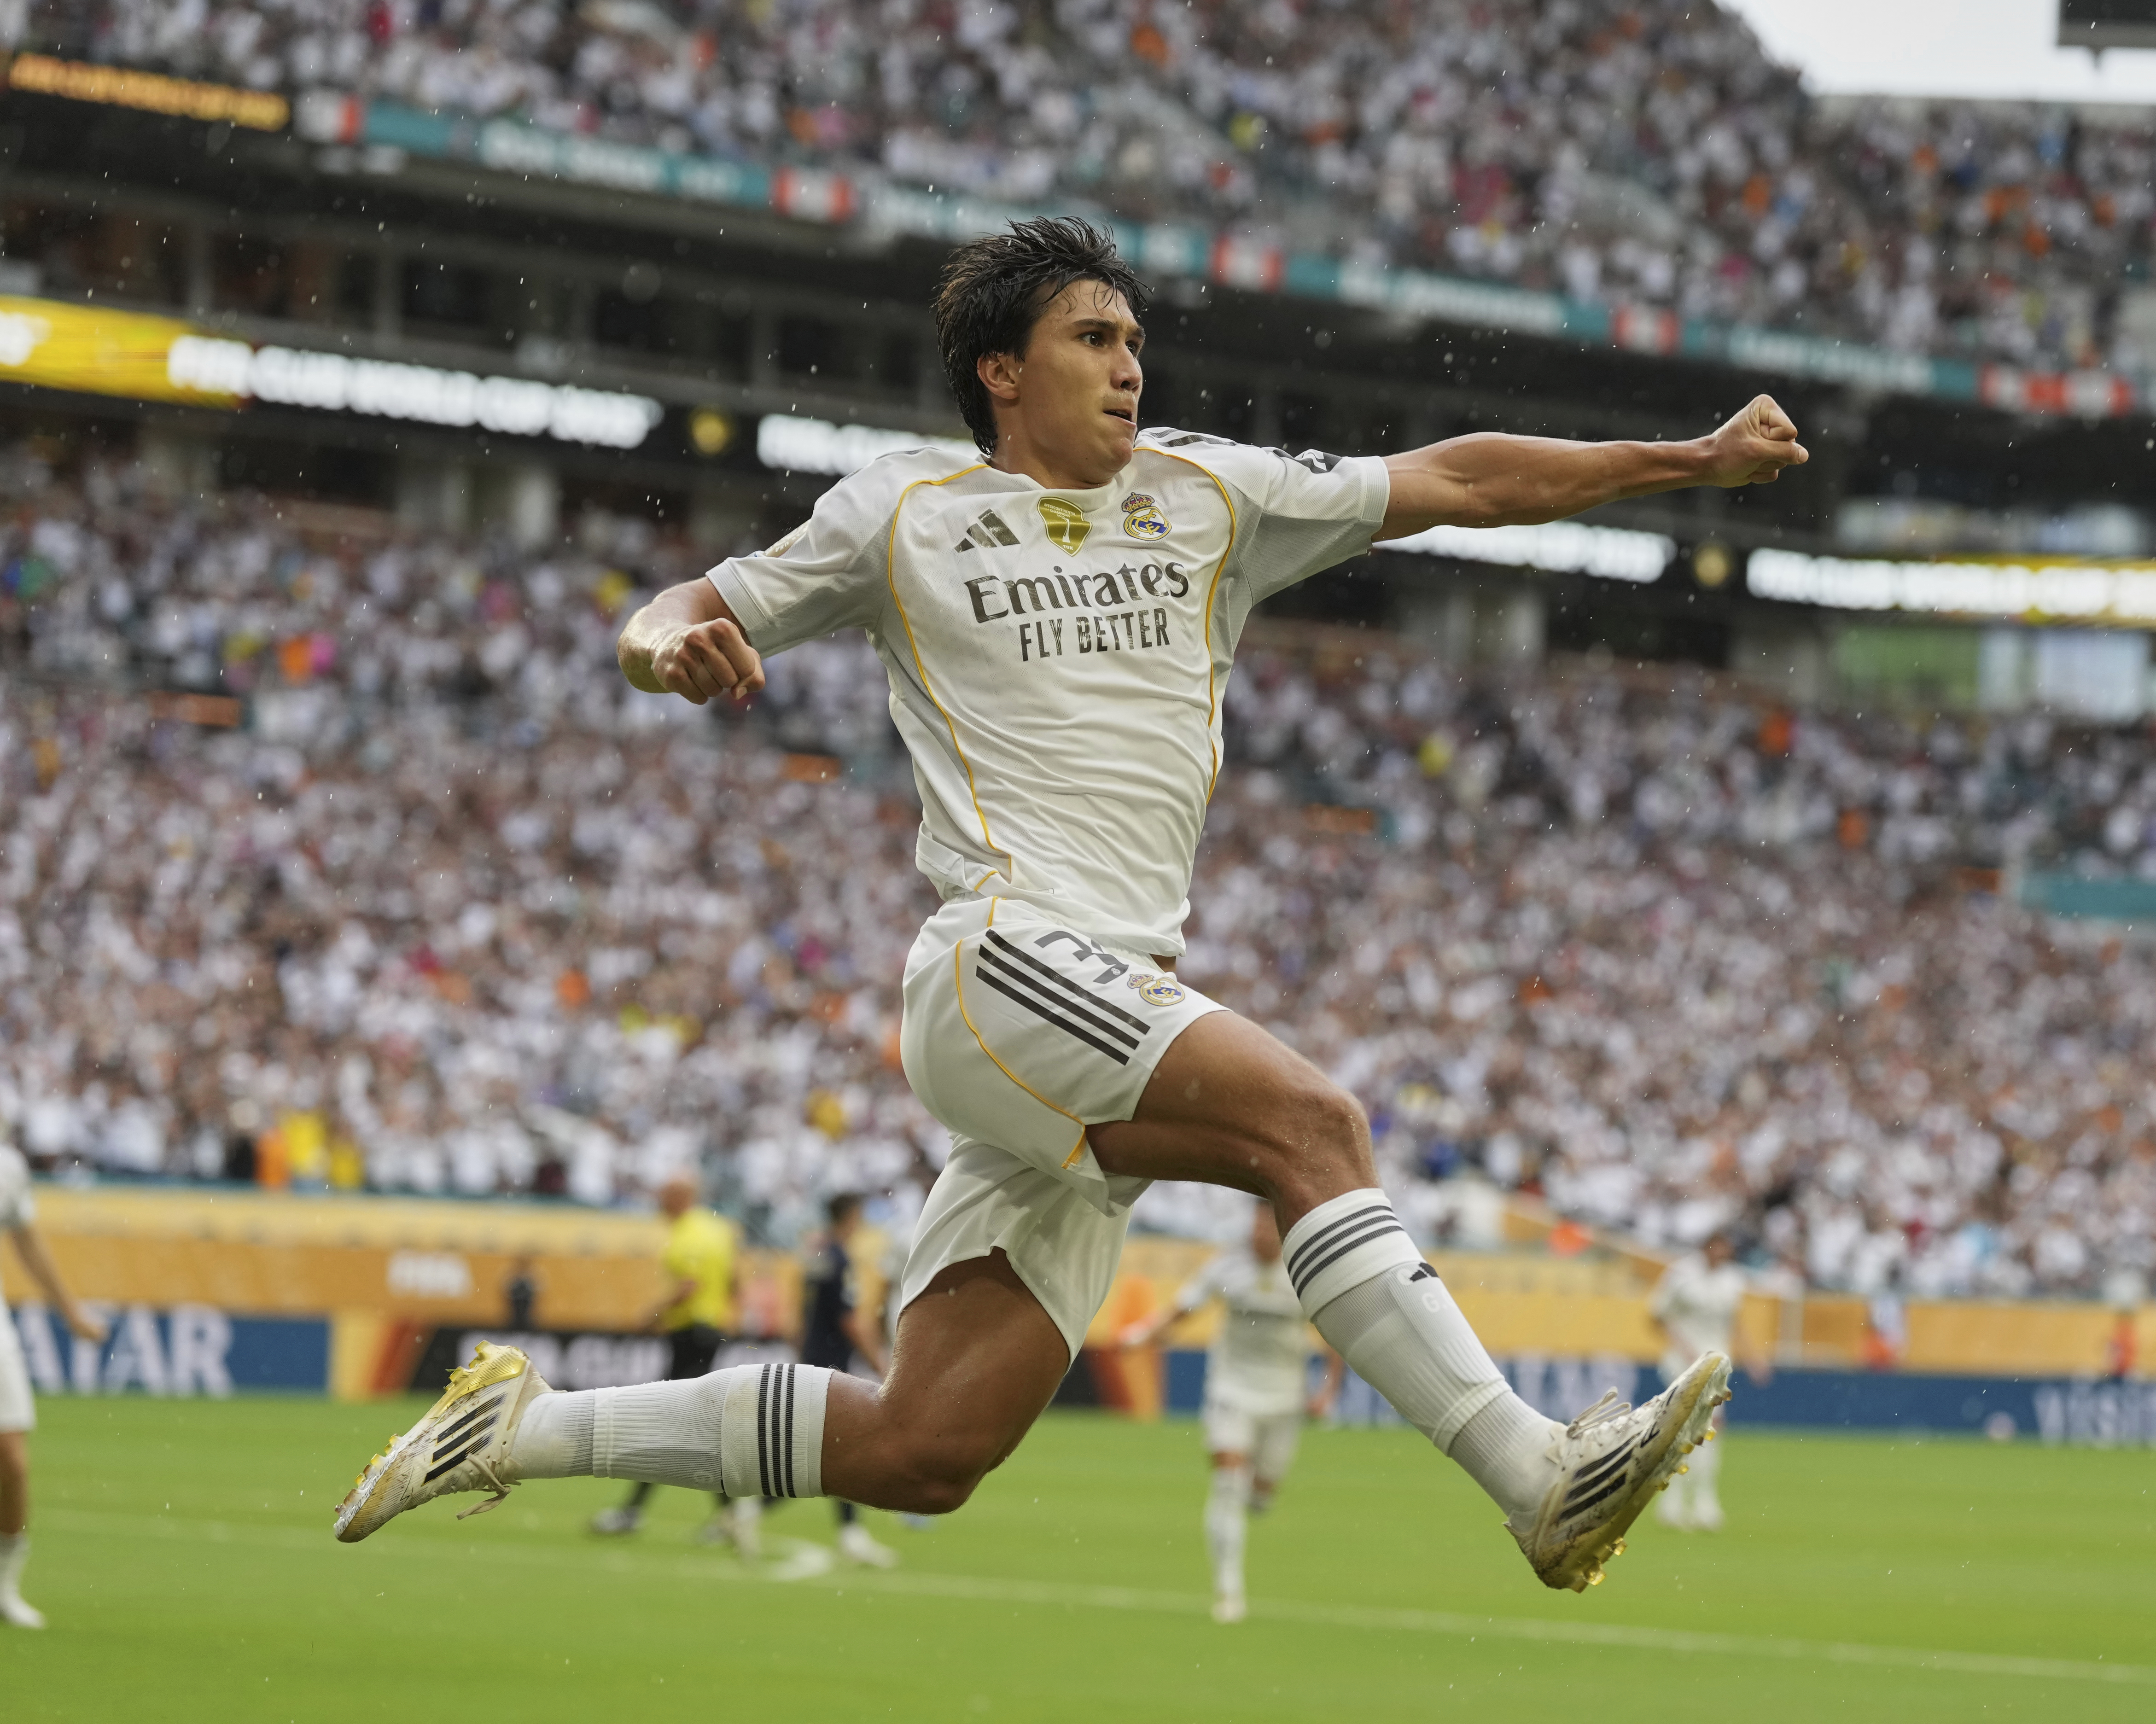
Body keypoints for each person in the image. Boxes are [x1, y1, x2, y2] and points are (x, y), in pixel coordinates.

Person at [334, 216, 1805, 1593]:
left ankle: (518, 1431)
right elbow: (676, 610)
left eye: (1132, 339)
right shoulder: (901, 513)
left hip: (1108, 999)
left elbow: (1462, 481)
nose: (1129, 364)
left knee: (925, 1448)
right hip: (999, 963)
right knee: (1312, 1127)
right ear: (1002, 371)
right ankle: (1533, 1476)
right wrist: (664, 653)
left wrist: (1680, 461)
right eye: (1093, 338)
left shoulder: (1210, 496)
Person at [1118, 1204, 1345, 1622]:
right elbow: (1184, 1309)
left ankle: (1260, 1495)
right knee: (1228, 1484)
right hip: (1231, 1389)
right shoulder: (1227, 1267)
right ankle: (1228, 1592)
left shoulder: (1303, 1274)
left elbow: (1334, 1335)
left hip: (1284, 1397)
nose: (1262, 1234)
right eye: (1258, 1225)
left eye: (1270, 1227)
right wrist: (1142, 1336)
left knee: (1259, 1495)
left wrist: (1328, 1391)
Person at [586, 1174, 747, 1550]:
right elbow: (736, 1281)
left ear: (681, 1197)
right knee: (692, 1425)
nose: (659, 1199)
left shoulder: (688, 1235)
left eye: (665, 1193)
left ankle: (636, 1512)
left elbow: (689, 1286)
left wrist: (653, 1316)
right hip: (711, 1332)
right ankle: (727, 1516)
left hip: (691, 1333)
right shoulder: (719, 1229)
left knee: (670, 1421)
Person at [1, 1141, 107, 1629]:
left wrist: (70, 1312)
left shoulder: (8, 1166)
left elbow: (27, 1239)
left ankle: (5, 1585)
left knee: (12, 1463)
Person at [799, 1193, 899, 1568]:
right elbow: (847, 1318)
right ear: (852, 1216)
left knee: (827, 1447)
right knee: (833, 1447)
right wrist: (878, 1360)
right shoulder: (837, 1257)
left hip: (815, 1357)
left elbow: (807, 1306)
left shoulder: (818, 1252)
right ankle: (751, 1512)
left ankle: (850, 1534)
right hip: (831, 1366)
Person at [1648, 1230, 1765, 1532]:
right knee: (1681, 1430)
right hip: (1682, 1364)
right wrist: (1684, 1347)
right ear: (1706, 1247)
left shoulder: (1732, 1279)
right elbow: (1658, 1315)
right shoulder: (1682, 1274)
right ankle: (1672, 1501)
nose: (1721, 1253)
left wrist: (1753, 1357)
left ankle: (1704, 1501)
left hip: (1716, 1365)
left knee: (1710, 1431)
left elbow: (1735, 1322)